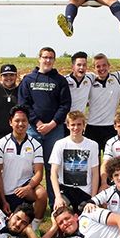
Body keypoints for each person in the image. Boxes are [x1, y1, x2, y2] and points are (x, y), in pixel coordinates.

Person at [18, 47, 72, 207]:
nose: (48, 60)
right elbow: (24, 104)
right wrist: (38, 123)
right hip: (33, 129)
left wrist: (52, 124)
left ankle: (55, 202)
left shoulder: (60, 81)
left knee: (52, 167)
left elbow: (65, 105)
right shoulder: (28, 80)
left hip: (54, 130)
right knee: (29, 167)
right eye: (45, 57)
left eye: (51, 58)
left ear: (54, 60)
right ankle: (26, 202)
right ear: (39, 58)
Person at [0, 105, 48, 227]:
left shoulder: (36, 145)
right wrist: (3, 201)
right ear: (10, 123)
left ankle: (35, 227)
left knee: (42, 193)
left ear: (28, 123)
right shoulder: (1, 144)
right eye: (17, 120)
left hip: (25, 189)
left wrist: (28, 187)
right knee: (8, 227)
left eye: (24, 120)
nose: (21, 124)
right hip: (6, 192)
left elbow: (39, 173)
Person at [49, 111, 100, 214]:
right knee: (59, 212)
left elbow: (95, 173)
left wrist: (93, 199)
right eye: (73, 124)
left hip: (85, 190)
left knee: (88, 217)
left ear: (84, 125)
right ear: (68, 125)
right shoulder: (60, 144)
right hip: (66, 189)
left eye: (79, 124)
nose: (76, 128)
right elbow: (53, 173)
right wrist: (58, 197)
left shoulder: (93, 145)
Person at [85, 53, 120, 153]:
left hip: (110, 127)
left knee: (110, 162)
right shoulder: (90, 79)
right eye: (98, 66)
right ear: (94, 68)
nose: (102, 68)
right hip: (92, 127)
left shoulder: (118, 77)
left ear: (109, 65)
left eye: (104, 65)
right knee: (93, 161)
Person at [65, 52, 94, 117]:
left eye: (84, 65)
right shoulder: (65, 80)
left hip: (80, 122)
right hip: (65, 121)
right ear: (72, 67)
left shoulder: (91, 78)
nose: (82, 67)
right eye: (79, 65)